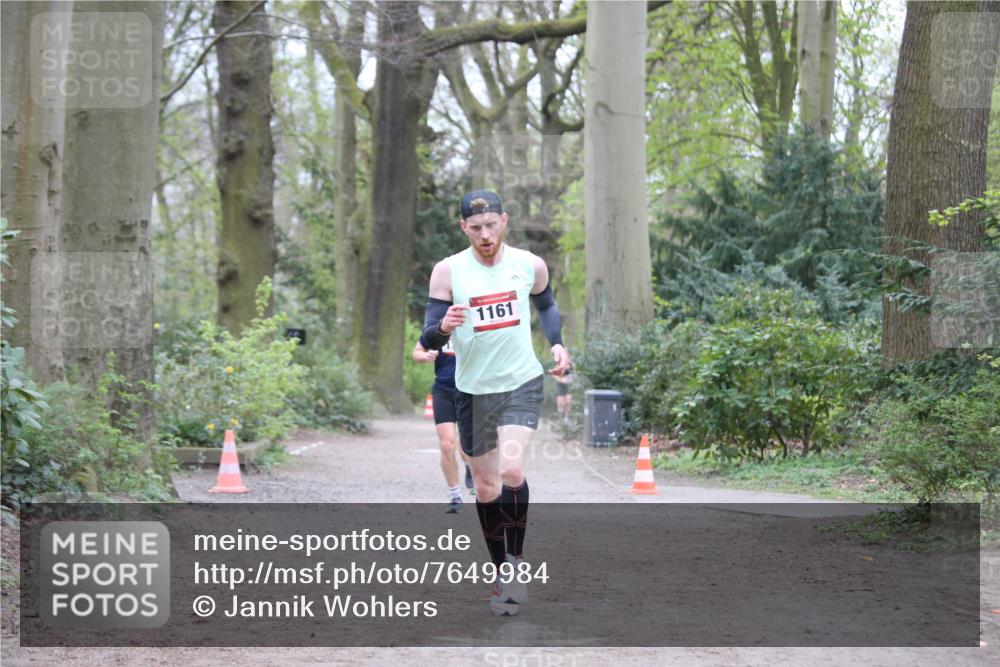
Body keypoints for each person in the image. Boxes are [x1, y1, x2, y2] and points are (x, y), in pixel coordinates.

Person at [421, 189, 570, 616]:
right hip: (471, 390)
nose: (485, 235)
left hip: (521, 381)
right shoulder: (448, 272)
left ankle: (517, 566)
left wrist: (557, 345)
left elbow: (546, 304)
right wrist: (442, 328)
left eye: (491, 225)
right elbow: (428, 334)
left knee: (511, 470)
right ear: (463, 228)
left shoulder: (529, 265)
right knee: (485, 488)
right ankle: (501, 570)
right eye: (475, 227)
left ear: (504, 221)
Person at [412, 336, 475, 514]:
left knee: (466, 445)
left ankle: (470, 468)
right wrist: (425, 356)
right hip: (443, 390)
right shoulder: (438, 326)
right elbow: (417, 352)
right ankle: (455, 496)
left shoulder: (474, 321)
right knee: (447, 444)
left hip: (469, 390)